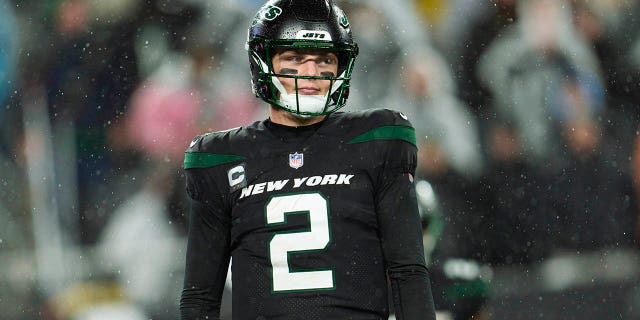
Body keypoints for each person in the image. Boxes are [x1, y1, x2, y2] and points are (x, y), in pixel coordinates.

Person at [179, 1, 436, 319]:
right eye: (295, 57)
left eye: (325, 59)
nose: (312, 73)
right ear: (264, 61)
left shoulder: (376, 140)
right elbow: (200, 297)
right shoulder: (220, 158)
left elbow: (407, 271)